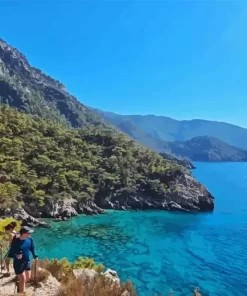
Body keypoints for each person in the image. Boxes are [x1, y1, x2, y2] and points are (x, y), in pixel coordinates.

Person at [8, 226, 38, 293]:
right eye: (28, 233)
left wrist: (35, 256)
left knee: (28, 278)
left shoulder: (29, 239)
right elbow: (12, 252)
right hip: (18, 263)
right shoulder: (16, 241)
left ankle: (20, 286)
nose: (30, 234)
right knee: (22, 279)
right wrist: (16, 256)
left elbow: (32, 248)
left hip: (27, 261)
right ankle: (21, 293)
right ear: (23, 233)